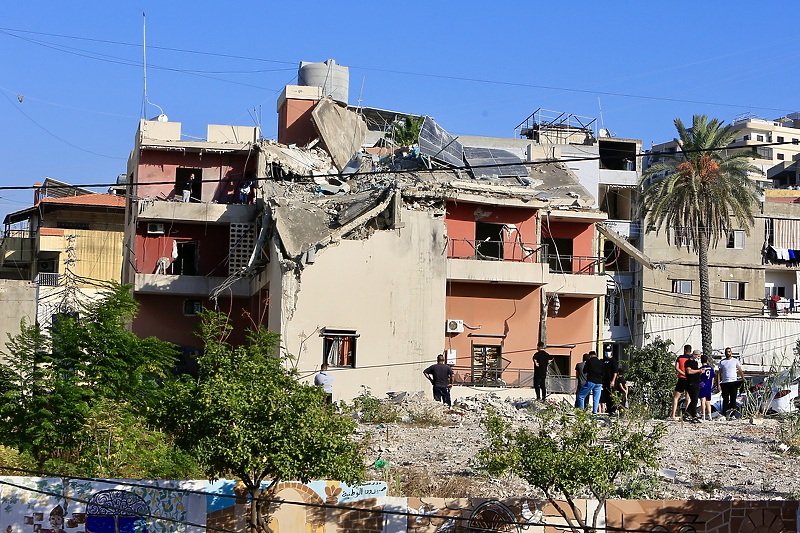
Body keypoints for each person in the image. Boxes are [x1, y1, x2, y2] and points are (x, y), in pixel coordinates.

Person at [717, 347, 744, 418]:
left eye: (729, 352)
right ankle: (724, 414)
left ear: (731, 352)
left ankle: (733, 414)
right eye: (726, 352)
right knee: (725, 399)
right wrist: (718, 383)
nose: (727, 353)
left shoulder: (735, 361)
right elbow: (719, 373)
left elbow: (740, 370)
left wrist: (743, 378)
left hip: (733, 382)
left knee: (733, 399)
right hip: (725, 383)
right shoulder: (722, 362)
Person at [669, 344, 693, 420]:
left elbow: (676, 368)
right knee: (688, 397)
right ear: (690, 351)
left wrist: (682, 373)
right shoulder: (691, 359)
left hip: (681, 378)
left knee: (676, 397)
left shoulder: (680, 358)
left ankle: (673, 414)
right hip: (689, 379)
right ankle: (687, 415)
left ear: (684, 350)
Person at [684, 349, 703, 423]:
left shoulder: (696, 363)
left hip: (696, 382)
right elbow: (689, 371)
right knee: (694, 399)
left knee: (694, 399)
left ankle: (686, 414)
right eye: (698, 356)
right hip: (691, 383)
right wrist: (699, 371)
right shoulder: (688, 362)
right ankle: (694, 416)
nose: (699, 358)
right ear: (694, 355)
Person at [600, 346, 619, 413]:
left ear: (611, 352)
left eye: (608, 351)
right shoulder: (604, 360)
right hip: (605, 381)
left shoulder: (613, 361)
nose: (607, 352)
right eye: (606, 351)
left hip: (611, 381)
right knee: (606, 396)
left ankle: (613, 410)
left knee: (612, 395)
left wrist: (613, 381)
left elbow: (615, 372)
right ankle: (608, 409)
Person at [699, 354, 715, 421]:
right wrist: (711, 385)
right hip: (708, 386)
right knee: (708, 401)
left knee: (703, 401)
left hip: (702, 386)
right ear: (707, 360)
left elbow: (698, 377)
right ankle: (709, 415)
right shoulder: (711, 369)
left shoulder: (701, 369)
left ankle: (703, 415)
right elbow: (713, 378)